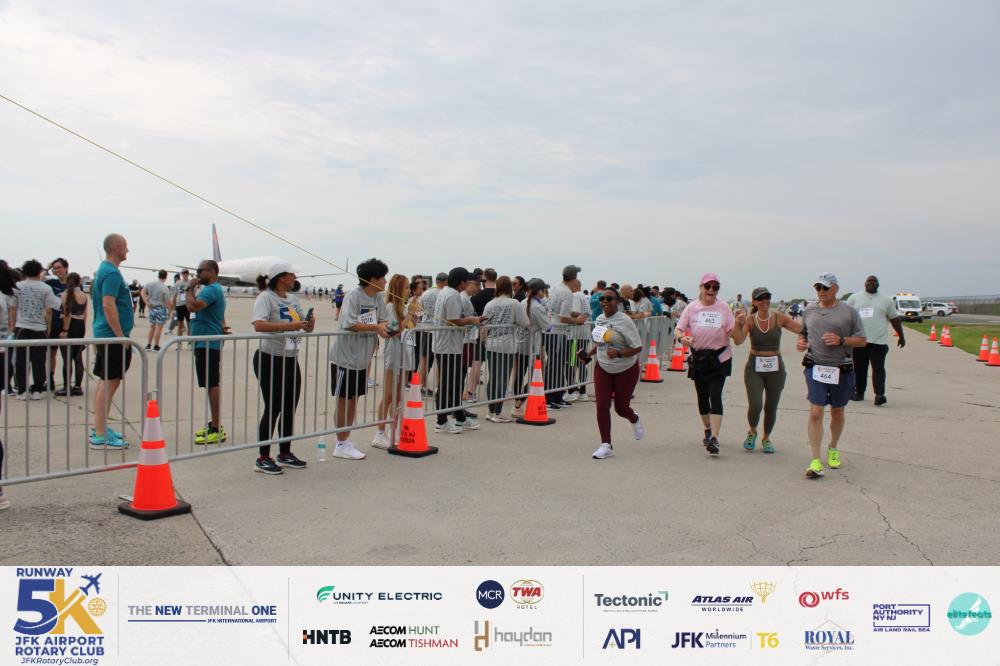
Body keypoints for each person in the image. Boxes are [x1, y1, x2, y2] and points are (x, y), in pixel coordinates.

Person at [796, 273, 867, 478]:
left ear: (835, 288)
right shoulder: (810, 310)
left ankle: (833, 447)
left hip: (841, 368)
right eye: (818, 287)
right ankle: (815, 459)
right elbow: (803, 332)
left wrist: (840, 340)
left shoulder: (848, 312)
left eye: (825, 288)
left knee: (837, 412)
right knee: (815, 412)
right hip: (815, 366)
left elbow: (862, 341)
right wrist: (801, 342)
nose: (821, 291)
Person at [251, 262, 314, 474]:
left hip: (290, 358)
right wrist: (290, 326)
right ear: (281, 277)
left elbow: (302, 326)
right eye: (291, 274)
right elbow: (259, 324)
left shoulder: (293, 299)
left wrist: (308, 324)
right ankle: (262, 457)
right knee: (273, 407)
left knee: (289, 407)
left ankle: (285, 452)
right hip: (269, 358)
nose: (295, 277)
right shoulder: (265, 298)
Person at [677, 273, 747, 455]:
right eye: (707, 286)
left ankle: (714, 438)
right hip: (699, 359)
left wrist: (739, 323)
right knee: (702, 397)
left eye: (715, 287)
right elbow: (678, 329)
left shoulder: (724, 308)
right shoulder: (692, 307)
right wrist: (682, 338)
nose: (711, 290)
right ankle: (708, 428)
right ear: (701, 287)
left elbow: (737, 339)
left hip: (719, 358)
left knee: (715, 395)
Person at [329, 258, 390, 459]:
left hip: (362, 359)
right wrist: (377, 327)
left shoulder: (378, 298)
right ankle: (340, 443)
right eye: (383, 277)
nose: (385, 281)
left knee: (354, 400)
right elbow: (350, 323)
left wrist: (389, 328)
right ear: (372, 279)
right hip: (345, 358)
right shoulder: (353, 296)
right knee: (343, 401)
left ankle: (346, 439)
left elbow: (382, 321)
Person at [579, 287, 645, 459]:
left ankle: (634, 418)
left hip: (626, 369)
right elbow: (600, 342)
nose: (605, 302)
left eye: (609, 299)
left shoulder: (625, 321)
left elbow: (638, 347)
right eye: (602, 299)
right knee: (602, 405)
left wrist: (619, 353)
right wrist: (588, 355)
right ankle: (606, 444)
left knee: (621, 408)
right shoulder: (599, 319)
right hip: (603, 367)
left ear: (618, 302)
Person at [737, 287, 802, 454]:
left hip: (776, 370)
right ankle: (752, 431)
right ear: (754, 302)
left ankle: (766, 438)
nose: (765, 301)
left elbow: (801, 329)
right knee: (756, 404)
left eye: (767, 297)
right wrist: (737, 323)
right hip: (754, 369)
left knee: (771, 406)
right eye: (760, 298)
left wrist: (804, 339)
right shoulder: (750, 320)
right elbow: (738, 340)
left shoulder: (779, 317)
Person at [89, 234, 135, 449]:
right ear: (117, 247)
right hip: (111, 337)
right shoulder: (111, 272)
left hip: (106, 335)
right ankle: (100, 435)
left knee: (106, 382)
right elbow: (108, 304)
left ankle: (100, 427)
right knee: (109, 382)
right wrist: (120, 336)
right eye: (125, 246)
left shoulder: (105, 270)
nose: (128, 250)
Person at [432, 267, 481, 434]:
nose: (467, 284)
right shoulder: (452, 295)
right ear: (461, 283)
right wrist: (472, 319)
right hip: (448, 346)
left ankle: (459, 417)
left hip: (448, 345)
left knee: (453, 384)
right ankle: (441, 421)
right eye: (467, 281)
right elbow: (454, 320)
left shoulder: (447, 292)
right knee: (447, 385)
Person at [186, 260, 229, 445]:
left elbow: (192, 307)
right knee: (209, 383)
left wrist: (189, 288)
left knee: (212, 383)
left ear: (211, 271)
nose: (197, 274)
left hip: (208, 343)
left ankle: (217, 427)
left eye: (199, 271)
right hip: (205, 341)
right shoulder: (212, 289)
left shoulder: (211, 289)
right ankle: (214, 423)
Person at [847, 275, 905, 406]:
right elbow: (846, 316)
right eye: (869, 281)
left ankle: (879, 395)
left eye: (874, 281)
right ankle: (859, 393)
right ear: (865, 283)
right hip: (859, 340)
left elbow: (894, 319)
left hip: (879, 341)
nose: (871, 283)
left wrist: (901, 335)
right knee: (859, 369)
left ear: (878, 284)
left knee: (878, 368)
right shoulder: (854, 298)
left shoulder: (887, 300)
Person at [372, 273, 414, 448]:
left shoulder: (402, 307)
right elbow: (394, 331)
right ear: (398, 289)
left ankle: (394, 429)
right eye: (406, 287)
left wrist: (410, 315)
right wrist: (408, 316)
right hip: (393, 352)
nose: (409, 291)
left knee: (398, 396)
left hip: (403, 352)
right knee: (389, 395)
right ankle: (380, 433)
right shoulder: (390, 307)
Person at [9, 260, 61, 399]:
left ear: (25, 272)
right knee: (39, 361)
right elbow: (49, 310)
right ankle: (38, 390)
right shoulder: (46, 288)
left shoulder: (17, 286)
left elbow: (13, 308)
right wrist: (48, 327)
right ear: (39, 272)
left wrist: (13, 326)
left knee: (21, 360)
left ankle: (22, 391)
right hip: (39, 327)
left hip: (21, 327)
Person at [481, 276, 527, 422]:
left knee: (493, 377)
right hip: (506, 344)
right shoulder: (514, 303)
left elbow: (484, 326)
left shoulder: (490, 304)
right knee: (503, 378)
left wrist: (483, 341)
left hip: (491, 343)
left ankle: (490, 411)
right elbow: (525, 322)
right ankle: (498, 412)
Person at [544, 265, 587, 409]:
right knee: (555, 366)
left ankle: (556, 396)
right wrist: (577, 320)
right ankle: (550, 399)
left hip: (552, 331)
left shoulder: (556, 287)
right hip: (558, 332)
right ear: (574, 278)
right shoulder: (567, 293)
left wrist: (572, 316)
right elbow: (563, 317)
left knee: (555, 365)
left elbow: (557, 312)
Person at [511, 278, 550, 419]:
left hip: (520, 342)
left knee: (519, 374)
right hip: (532, 345)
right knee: (537, 375)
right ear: (539, 291)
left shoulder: (523, 303)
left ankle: (517, 402)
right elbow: (547, 327)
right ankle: (520, 401)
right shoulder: (537, 307)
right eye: (543, 290)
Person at [55, 272, 88, 397]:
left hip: (70, 326)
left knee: (67, 358)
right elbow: (85, 315)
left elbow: (67, 314)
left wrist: (65, 330)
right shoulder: (83, 295)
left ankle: (67, 386)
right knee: (78, 358)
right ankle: (78, 387)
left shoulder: (66, 295)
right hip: (80, 326)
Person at [416, 272, 446, 395]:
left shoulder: (426, 293)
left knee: (424, 359)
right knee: (440, 360)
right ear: (445, 281)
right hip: (438, 329)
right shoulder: (443, 294)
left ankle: (421, 386)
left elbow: (419, 311)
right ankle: (439, 387)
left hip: (426, 328)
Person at [45, 258, 70, 391]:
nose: (57, 270)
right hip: (53, 322)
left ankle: (68, 384)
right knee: (51, 353)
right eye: (54, 268)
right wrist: (47, 268)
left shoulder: (72, 283)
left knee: (67, 355)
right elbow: (38, 280)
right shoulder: (51, 283)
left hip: (67, 324)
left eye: (59, 267)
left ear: (66, 268)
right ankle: (50, 380)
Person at [566, 278, 592, 402]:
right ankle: (582, 391)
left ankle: (573, 391)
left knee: (572, 362)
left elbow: (574, 313)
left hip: (575, 335)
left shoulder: (575, 296)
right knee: (581, 361)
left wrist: (564, 314)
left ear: (574, 286)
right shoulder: (584, 297)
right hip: (583, 334)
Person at [141, 270, 171, 351]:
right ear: (166, 277)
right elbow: (168, 302)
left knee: (152, 327)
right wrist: (170, 311)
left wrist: (146, 303)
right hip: (160, 308)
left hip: (152, 307)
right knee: (158, 327)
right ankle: (156, 345)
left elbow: (142, 292)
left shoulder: (150, 284)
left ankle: (148, 344)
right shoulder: (165, 288)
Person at [169, 269, 192, 340]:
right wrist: (173, 309)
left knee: (189, 325)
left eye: (186, 273)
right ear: (181, 274)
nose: (185, 275)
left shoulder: (191, 283)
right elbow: (174, 296)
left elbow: (194, 295)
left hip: (188, 306)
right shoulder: (178, 283)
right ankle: (179, 342)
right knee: (180, 325)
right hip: (179, 306)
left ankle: (190, 341)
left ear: (188, 274)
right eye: (183, 273)